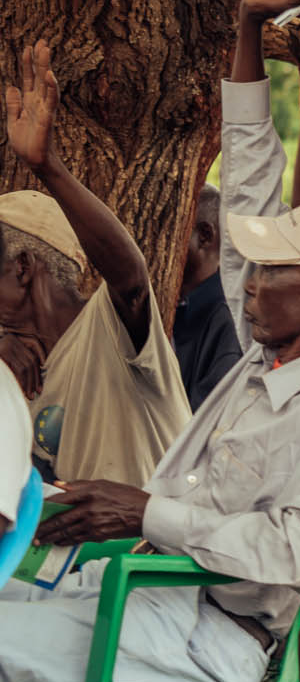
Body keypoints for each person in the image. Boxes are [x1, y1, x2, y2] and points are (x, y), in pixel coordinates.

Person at [0, 0, 300, 682]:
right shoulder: (268, 355)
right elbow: (250, 170)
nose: (245, 282)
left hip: (207, 637)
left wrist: (150, 514)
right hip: (146, 595)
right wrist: (249, 24)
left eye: (268, 272)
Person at [0, 44, 189, 487]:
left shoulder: (109, 327)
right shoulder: (18, 356)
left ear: (23, 268)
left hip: (155, 534)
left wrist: (47, 166)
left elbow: (131, 279)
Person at [173, 183, 242, 411]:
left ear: (204, 235)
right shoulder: (173, 306)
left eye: (167, 232)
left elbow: (205, 420)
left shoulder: (226, 321)